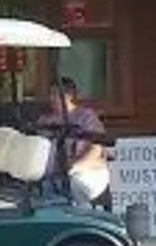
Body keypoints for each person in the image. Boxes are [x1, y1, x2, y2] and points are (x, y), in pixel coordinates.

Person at [35, 77, 111, 209]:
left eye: (56, 95)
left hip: (84, 171)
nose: (51, 98)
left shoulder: (85, 117)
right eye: (50, 94)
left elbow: (96, 148)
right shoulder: (44, 120)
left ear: (69, 96)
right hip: (50, 176)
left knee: (77, 184)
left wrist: (76, 166)